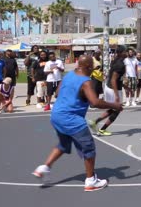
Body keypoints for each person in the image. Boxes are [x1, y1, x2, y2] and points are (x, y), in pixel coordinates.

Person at [32, 55, 123, 192]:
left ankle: (44, 168)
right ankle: (91, 181)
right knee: (89, 148)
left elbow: (57, 93)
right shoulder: (86, 82)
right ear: (87, 67)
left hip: (56, 115)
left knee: (64, 144)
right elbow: (95, 102)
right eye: (92, 66)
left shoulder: (69, 75)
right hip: (71, 119)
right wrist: (114, 105)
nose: (93, 68)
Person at [89, 46, 127, 136]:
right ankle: (102, 129)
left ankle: (95, 122)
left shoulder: (117, 61)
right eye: (125, 51)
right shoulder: (120, 64)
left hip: (110, 87)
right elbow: (114, 80)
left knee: (113, 108)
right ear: (121, 53)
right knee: (118, 109)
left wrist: (125, 86)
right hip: (113, 89)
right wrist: (117, 95)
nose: (126, 53)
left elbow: (117, 79)